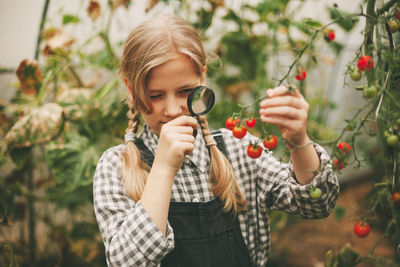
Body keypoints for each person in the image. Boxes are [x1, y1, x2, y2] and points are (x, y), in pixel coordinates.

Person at [93, 14, 339, 267]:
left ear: (202, 79)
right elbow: (125, 261)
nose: (172, 110)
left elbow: (315, 204)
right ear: (131, 90)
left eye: (185, 91)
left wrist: (299, 141)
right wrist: (163, 169)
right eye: (155, 95)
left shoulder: (237, 149)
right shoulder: (116, 167)